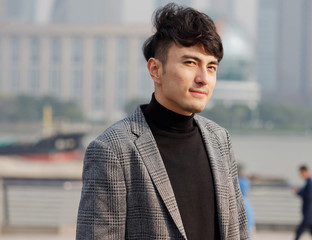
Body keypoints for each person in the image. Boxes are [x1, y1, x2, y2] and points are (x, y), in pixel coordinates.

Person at [76, 3, 248, 240]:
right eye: (190, 63)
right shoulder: (113, 149)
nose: (203, 78)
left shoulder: (220, 140)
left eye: (211, 67)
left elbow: (238, 232)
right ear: (155, 70)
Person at [293, 165, 312, 240]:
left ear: (305, 171)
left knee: (299, 232)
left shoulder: (310, 183)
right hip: (310, 214)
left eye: (301, 172)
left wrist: (299, 192)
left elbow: (309, 196)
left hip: (309, 214)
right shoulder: (309, 182)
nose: (300, 175)